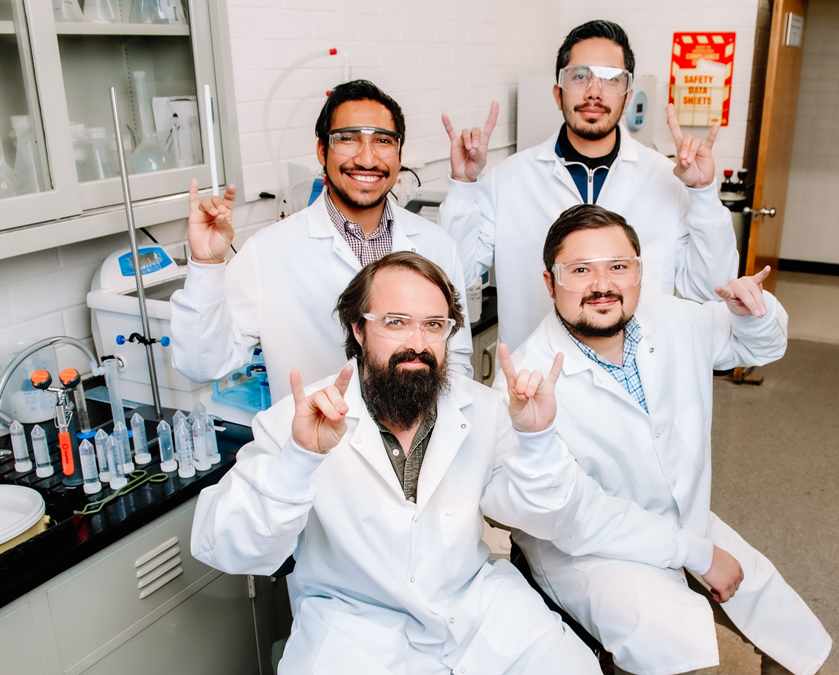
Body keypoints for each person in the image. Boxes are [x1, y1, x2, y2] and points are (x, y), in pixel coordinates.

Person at [191, 251, 742, 674]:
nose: (418, 342)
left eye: (435, 325)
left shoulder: (481, 410)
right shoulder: (297, 421)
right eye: (396, 322)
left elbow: (554, 513)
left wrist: (537, 440)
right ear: (358, 331)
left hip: (479, 609)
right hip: (353, 629)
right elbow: (230, 548)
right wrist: (297, 462)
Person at [501, 204, 831, 675]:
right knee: (677, 655)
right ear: (550, 283)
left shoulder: (675, 320)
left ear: (639, 273)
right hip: (593, 551)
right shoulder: (526, 381)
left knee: (792, 642)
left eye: (618, 267)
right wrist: (698, 554)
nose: (602, 285)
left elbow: (763, 346)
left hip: (686, 516)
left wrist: (753, 312)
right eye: (580, 270)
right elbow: (573, 515)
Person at [440, 19, 738, 352]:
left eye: (611, 79)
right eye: (580, 76)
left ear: (627, 97)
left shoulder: (667, 179)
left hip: (636, 381)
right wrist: (464, 186)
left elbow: (713, 289)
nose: (594, 91)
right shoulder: (507, 180)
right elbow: (454, 277)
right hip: (534, 382)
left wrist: (703, 195)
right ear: (558, 93)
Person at [170, 79, 472, 402]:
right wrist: (205, 264)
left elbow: (457, 365)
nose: (367, 159)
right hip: (317, 450)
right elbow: (203, 365)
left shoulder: (437, 245)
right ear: (321, 150)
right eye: (348, 139)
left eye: (383, 141)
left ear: (399, 155)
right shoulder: (267, 252)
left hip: (418, 447)